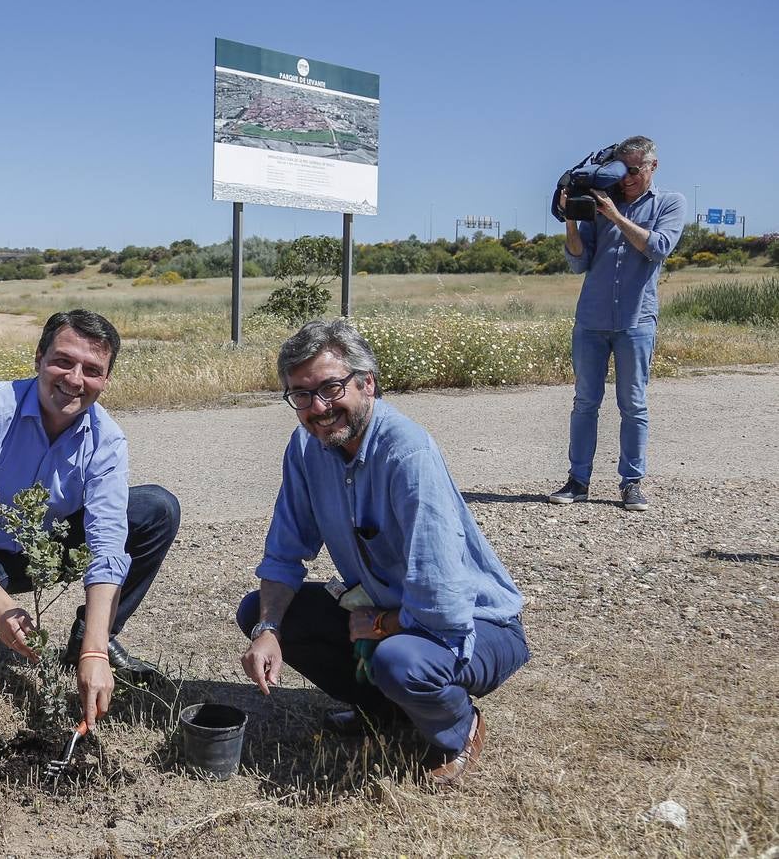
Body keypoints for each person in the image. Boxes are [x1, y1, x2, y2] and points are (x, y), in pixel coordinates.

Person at [237, 319, 529, 787]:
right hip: (394, 609)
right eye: (301, 395)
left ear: (367, 382)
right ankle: (385, 712)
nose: (319, 408)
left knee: (400, 662)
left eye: (331, 388)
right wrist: (268, 629)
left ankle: (458, 728)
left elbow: (443, 602)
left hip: (478, 624)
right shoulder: (306, 447)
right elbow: (284, 552)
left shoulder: (407, 453)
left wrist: (379, 625)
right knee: (259, 610)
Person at [0, 309, 179, 728]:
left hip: (47, 545)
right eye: (63, 361)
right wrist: (1, 611)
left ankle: (90, 635)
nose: (74, 379)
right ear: (38, 358)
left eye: (92, 370)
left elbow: (107, 543)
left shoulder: (106, 438)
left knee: (155, 508)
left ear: (106, 379)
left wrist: (95, 652)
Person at [550, 135, 687, 511]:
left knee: (634, 404)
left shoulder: (669, 203)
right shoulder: (599, 202)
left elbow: (657, 247)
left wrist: (614, 215)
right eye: (620, 170)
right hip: (591, 318)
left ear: (652, 167)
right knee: (584, 403)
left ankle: (632, 483)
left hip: (636, 319)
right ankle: (578, 480)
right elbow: (579, 262)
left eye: (634, 170)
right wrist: (573, 221)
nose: (625, 178)